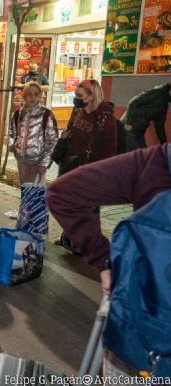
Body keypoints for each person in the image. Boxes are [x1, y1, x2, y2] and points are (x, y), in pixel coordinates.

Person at [46, 143, 171, 378]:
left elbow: (62, 193)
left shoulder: (153, 164)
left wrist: (105, 262)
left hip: (135, 337)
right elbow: (62, 194)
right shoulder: (153, 163)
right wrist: (104, 259)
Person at [55, 79, 117, 254]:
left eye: (79, 95)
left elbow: (110, 150)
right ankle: (68, 238)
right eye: (75, 95)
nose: (76, 99)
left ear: (91, 97)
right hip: (73, 165)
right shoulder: (78, 111)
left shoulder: (106, 119)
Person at [8, 82, 58, 184]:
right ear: (24, 96)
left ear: (40, 95)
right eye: (29, 94)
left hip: (38, 161)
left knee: (35, 194)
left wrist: (44, 163)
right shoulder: (17, 114)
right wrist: (12, 145)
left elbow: (52, 141)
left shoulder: (46, 114)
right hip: (21, 160)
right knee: (25, 191)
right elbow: (12, 132)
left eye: (36, 94)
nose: (32, 97)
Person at [121, 83, 170, 151]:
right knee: (138, 155)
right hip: (129, 128)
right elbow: (133, 103)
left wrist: (164, 145)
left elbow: (159, 126)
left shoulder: (164, 105)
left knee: (143, 154)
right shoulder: (157, 93)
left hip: (139, 130)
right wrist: (129, 122)